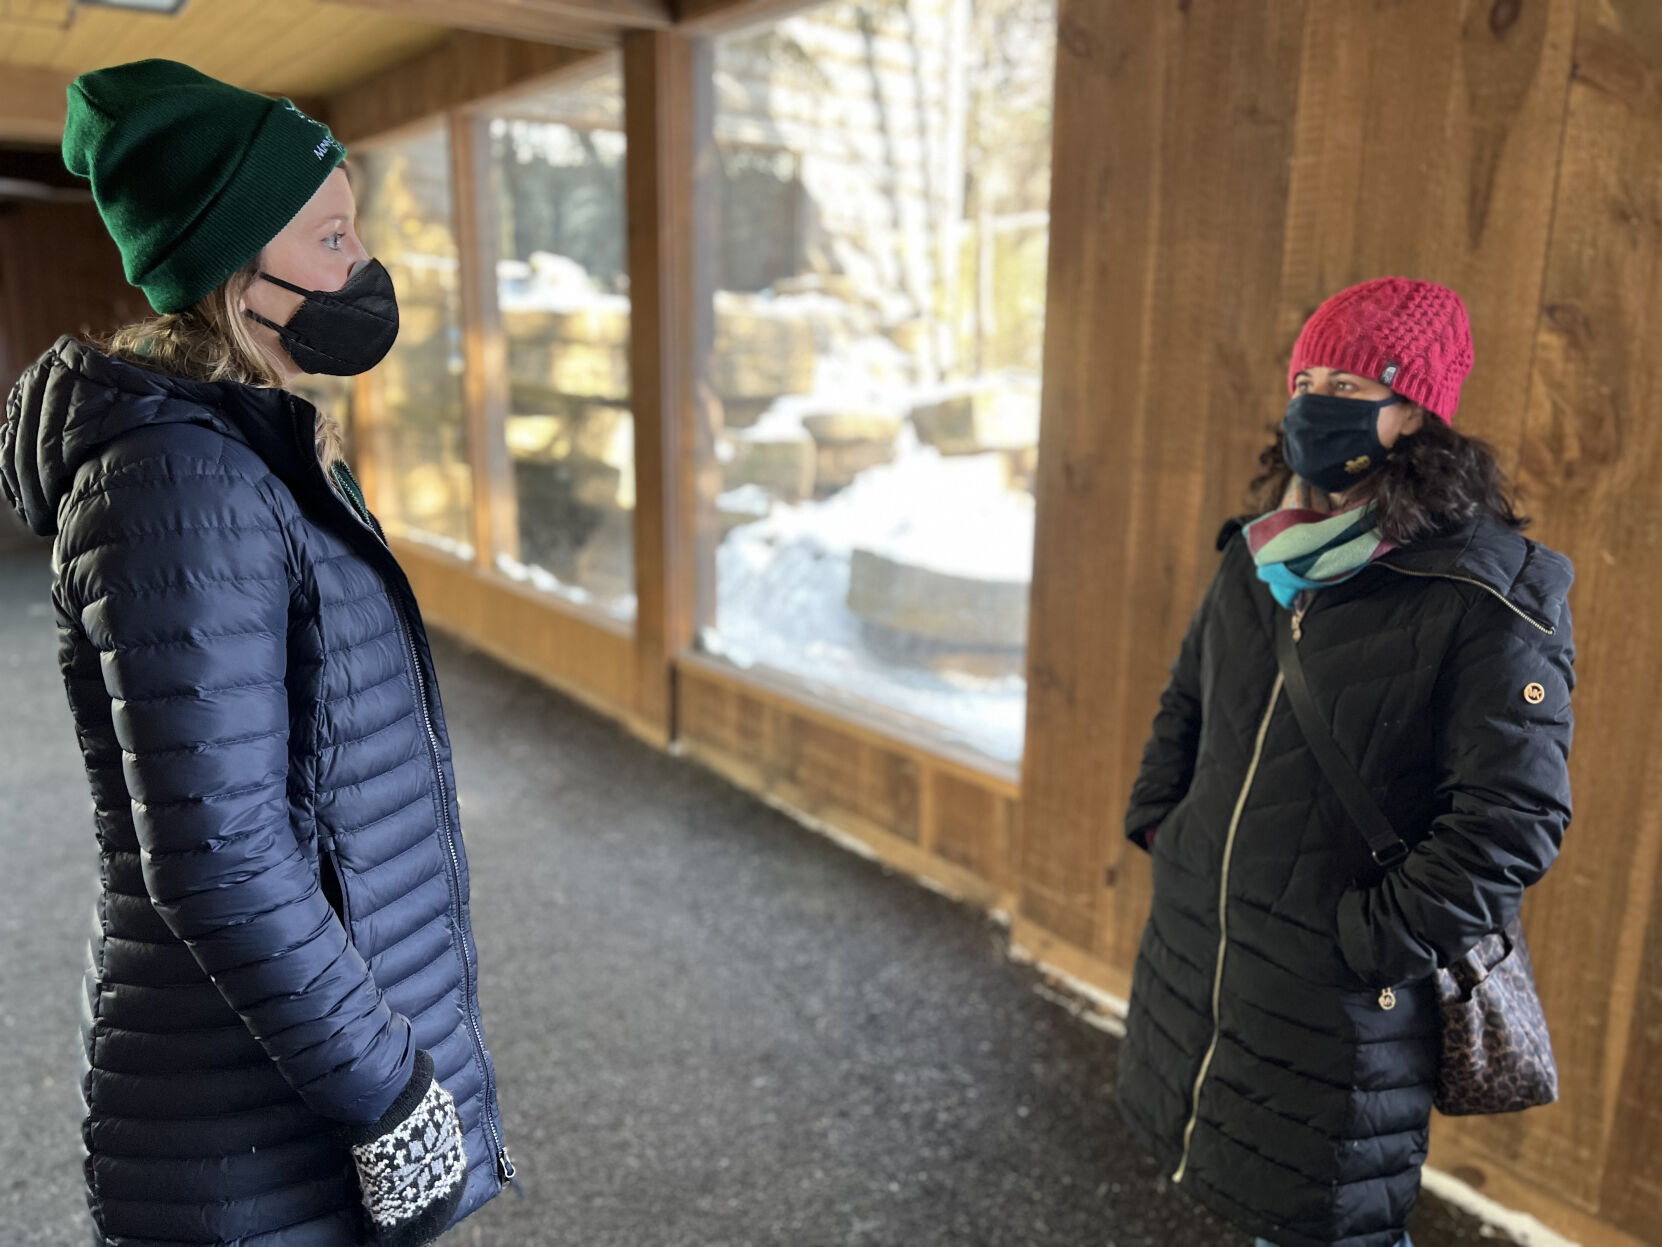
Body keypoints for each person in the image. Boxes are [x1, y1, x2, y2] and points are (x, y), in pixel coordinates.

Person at [0, 61, 511, 1246]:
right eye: (332, 238)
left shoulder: (247, 452)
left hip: (284, 1076)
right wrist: (393, 1099)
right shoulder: (184, 483)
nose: (362, 271)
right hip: (251, 1130)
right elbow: (220, 858)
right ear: (238, 274)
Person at [1114, 278, 1575, 1247]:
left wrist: (1367, 940)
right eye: (1309, 375)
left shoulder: (1487, 592)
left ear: (1417, 412)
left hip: (1339, 992)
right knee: (1239, 1178)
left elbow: (1511, 819)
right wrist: (1168, 824)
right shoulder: (1260, 552)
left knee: (1332, 1220)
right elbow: (1188, 700)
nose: (1318, 398)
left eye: (1354, 379)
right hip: (1209, 948)